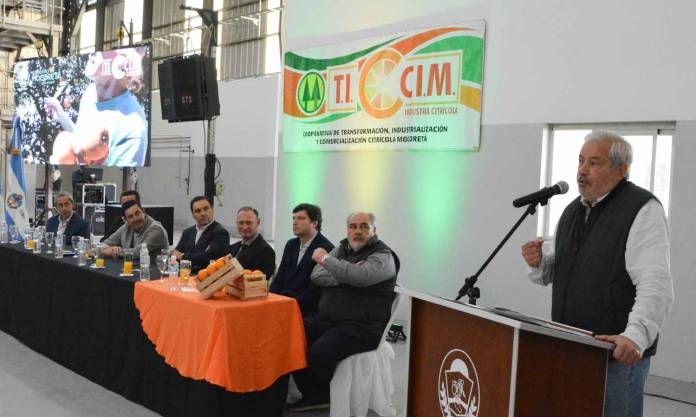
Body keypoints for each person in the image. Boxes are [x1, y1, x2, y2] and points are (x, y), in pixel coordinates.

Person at [520, 131, 673, 417]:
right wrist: (539, 262)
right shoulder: (572, 211)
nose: (582, 170)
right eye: (580, 161)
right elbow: (561, 272)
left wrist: (635, 337)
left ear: (621, 169)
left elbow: (656, 284)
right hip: (570, 346)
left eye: (594, 163)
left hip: (614, 356)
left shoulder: (641, 209)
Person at [288, 212, 399, 412]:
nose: (358, 231)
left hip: (363, 326)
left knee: (320, 351)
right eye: (353, 226)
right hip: (330, 320)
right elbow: (317, 275)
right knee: (292, 334)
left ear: (374, 230)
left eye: (364, 226)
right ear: (347, 229)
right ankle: (311, 391)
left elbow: (361, 277)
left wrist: (328, 260)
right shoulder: (342, 248)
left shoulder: (383, 256)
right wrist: (348, 274)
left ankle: (320, 395)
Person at [46, 47, 148, 166]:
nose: (93, 53)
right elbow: (83, 143)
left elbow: (119, 177)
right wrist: (61, 115)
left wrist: (69, 169)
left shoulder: (133, 128)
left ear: (123, 64)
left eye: (109, 51)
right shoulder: (90, 92)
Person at [270, 203, 334, 317]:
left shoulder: (325, 248)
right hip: (284, 303)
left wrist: (286, 303)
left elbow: (315, 291)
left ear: (314, 223)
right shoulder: (291, 244)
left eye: (301, 218)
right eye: (294, 218)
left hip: (307, 310)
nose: (295, 222)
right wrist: (271, 298)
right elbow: (280, 277)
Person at [173, 196, 229, 273]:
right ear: (193, 215)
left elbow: (207, 258)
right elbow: (176, 255)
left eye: (206, 209)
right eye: (198, 211)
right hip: (185, 276)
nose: (203, 213)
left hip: (207, 277)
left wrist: (183, 256)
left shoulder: (220, 233)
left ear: (212, 210)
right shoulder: (188, 232)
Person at [101, 200, 168, 257]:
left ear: (143, 211)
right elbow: (104, 244)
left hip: (154, 267)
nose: (135, 219)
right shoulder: (126, 227)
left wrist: (115, 251)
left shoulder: (156, 229)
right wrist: (105, 250)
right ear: (125, 220)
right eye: (130, 216)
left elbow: (138, 252)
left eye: (137, 213)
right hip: (132, 267)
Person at [228, 207, 276, 278]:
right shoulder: (232, 248)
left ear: (258, 222)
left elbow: (258, 282)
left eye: (249, 223)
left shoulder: (266, 252)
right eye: (241, 223)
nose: (244, 227)